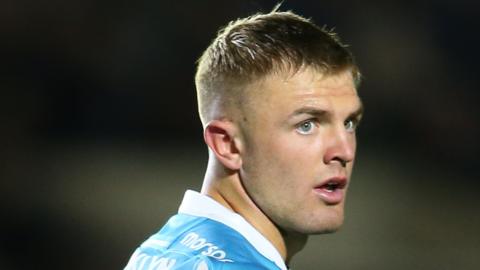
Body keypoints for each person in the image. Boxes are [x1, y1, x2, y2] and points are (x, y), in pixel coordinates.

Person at [125, 8, 363, 270]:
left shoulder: (161, 251)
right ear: (227, 145)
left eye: (349, 123)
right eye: (306, 125)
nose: (343, 150)